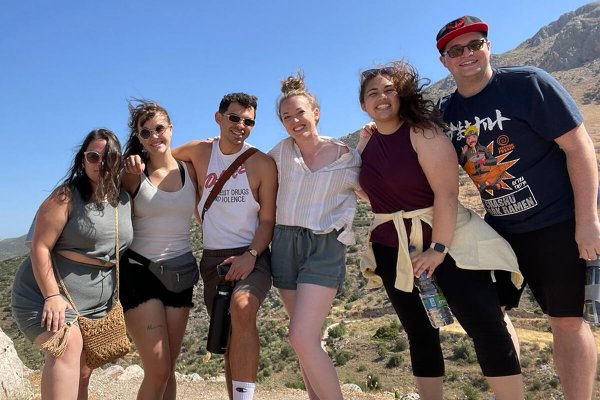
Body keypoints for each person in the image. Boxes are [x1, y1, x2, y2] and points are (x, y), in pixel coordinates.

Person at [436, 15, 600, 399]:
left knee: (566, 321)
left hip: (557, 223)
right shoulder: (444, 113)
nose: (467, 54)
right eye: (455, 50)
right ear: (444, 61)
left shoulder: (527, 84)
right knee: (490, 315)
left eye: (474, 44)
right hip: (500, 228)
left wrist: (588, 220)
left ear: (488, 46)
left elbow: (579, 149)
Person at [357, 62, 524, 400]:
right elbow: (367, 190)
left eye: (389, 90)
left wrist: (438, 249)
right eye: (373, 93)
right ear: (363, 105)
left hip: (447, 242)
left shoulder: (423, 133)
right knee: (419, 333)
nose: (382, 97)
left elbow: (446, 194)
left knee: (485, 326)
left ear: (402, 95)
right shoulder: (365, 143)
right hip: (392, 248)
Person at [127, 93, 277, 400]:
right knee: (227, 334)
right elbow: (162, 154)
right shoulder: (198, 151)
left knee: (242, 308)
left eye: (248, 121)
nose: (241, 125)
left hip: (250, 253)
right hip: (211, 260)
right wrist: (136, 159)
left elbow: (267, 221)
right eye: (234, 118)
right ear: (218, 118)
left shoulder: (262, 163)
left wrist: (251, 255)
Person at [12, 129, 133, 400]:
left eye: (110, 158)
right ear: (83, 160)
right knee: (67, 347)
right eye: (93, 157)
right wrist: (52, 296)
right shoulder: (65, 197)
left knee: (82, 373)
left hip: (95, 306)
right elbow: (40, 246)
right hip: (46, 296)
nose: (101, 164)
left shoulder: (124, 199)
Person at [268, 72, 361, 399]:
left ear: (316, 113)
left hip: (325, 246)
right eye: (286, 117)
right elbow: (249, 177)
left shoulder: (347, 156)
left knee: (300, 336)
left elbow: (374, 192)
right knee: (306, 341)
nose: (295, 121)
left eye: (300, 113)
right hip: (284, 244)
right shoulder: (279, 154)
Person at [120, 99, 199, 400]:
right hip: (140, 272)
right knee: (158, 370)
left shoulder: (190, 171)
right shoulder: (133, 174)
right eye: (146, 132)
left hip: (180, 274)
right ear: (139, 138)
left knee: (169, 369)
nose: (154, 136)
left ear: (171, 129)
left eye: (159, 129)